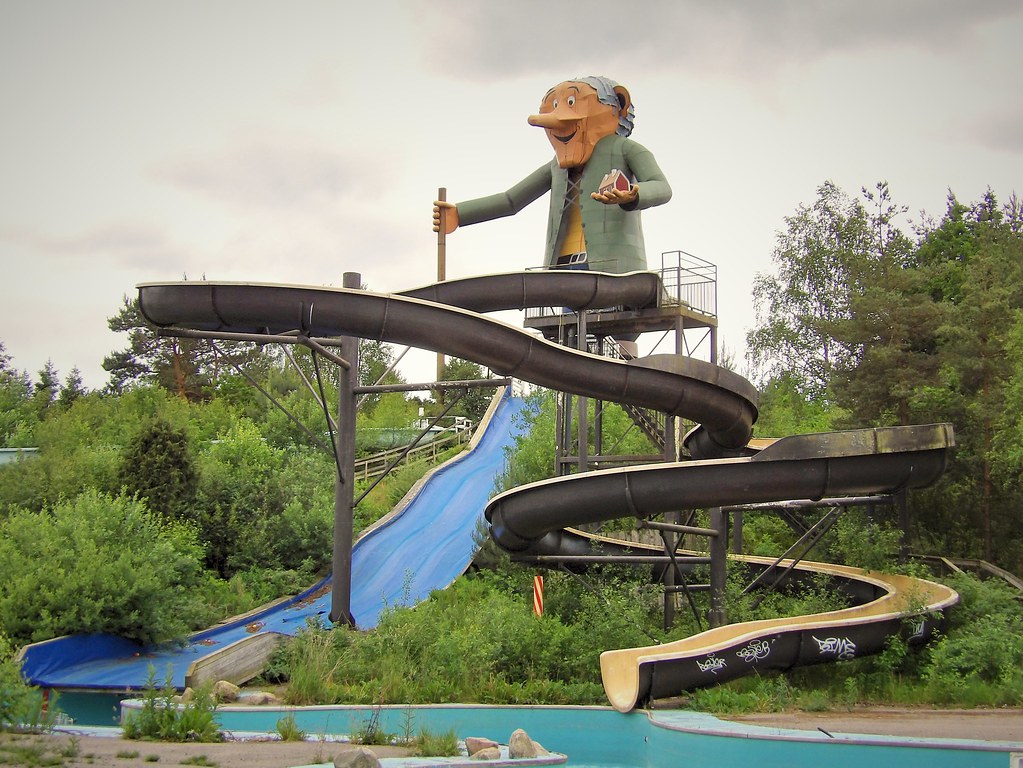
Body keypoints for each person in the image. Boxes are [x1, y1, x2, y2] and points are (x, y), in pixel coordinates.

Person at [433, 76, 671, 276]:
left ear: (620, 105)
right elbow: (511, 200)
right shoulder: (557, 167)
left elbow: (661, 186)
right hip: (562, 269)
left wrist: (634, 195)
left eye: (571, 103)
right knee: (571, 317)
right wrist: (460, 214)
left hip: (613, 269)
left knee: (612, 316)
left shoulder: (624, 149)